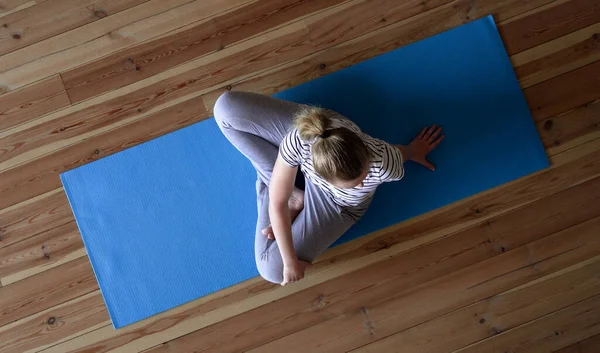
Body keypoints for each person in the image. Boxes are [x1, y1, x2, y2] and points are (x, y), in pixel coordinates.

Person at [214, 91, 443, 286]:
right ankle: (292, 191)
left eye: (362, 177)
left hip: (339, 205)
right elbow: (277, 202)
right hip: (310, 159)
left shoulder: (383, 162)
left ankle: (280, 179)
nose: (364, 184)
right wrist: (291, 260)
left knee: (271, 269)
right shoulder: (299, 140)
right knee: (225, 108)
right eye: (356, 183)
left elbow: (402, 153)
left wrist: (414, 150)